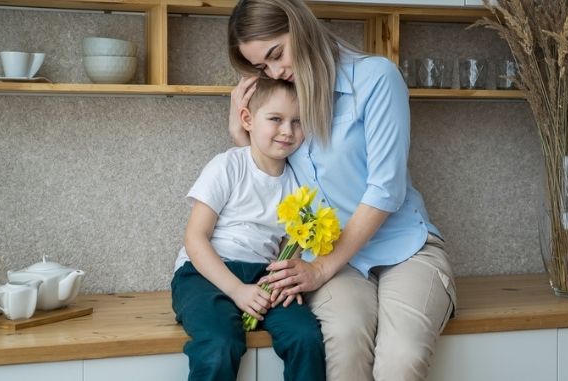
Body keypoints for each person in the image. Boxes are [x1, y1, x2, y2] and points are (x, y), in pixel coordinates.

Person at [226, 0, 457, 380]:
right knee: (344, 345)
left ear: (299, 25)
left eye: (276, 54)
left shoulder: (376, 78)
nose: (276, 71)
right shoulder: (287, 103)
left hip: (406, 249)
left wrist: (319, 269)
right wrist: (243, 137)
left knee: (401, 360)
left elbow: (385, 190)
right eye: (262, 67)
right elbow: (273, 189)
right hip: (335, 259)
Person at [171, 77, 325, 381]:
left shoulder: (298, 185)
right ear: (247, 120)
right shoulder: (227, 166)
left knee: (306, 337)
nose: (287, 130)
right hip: (204, 275)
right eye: (276, 119)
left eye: (297, 121)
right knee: (219, 343)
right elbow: (195, 238)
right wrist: (236, 290)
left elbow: (285, 246)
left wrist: (283, 279)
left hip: (263, 278)